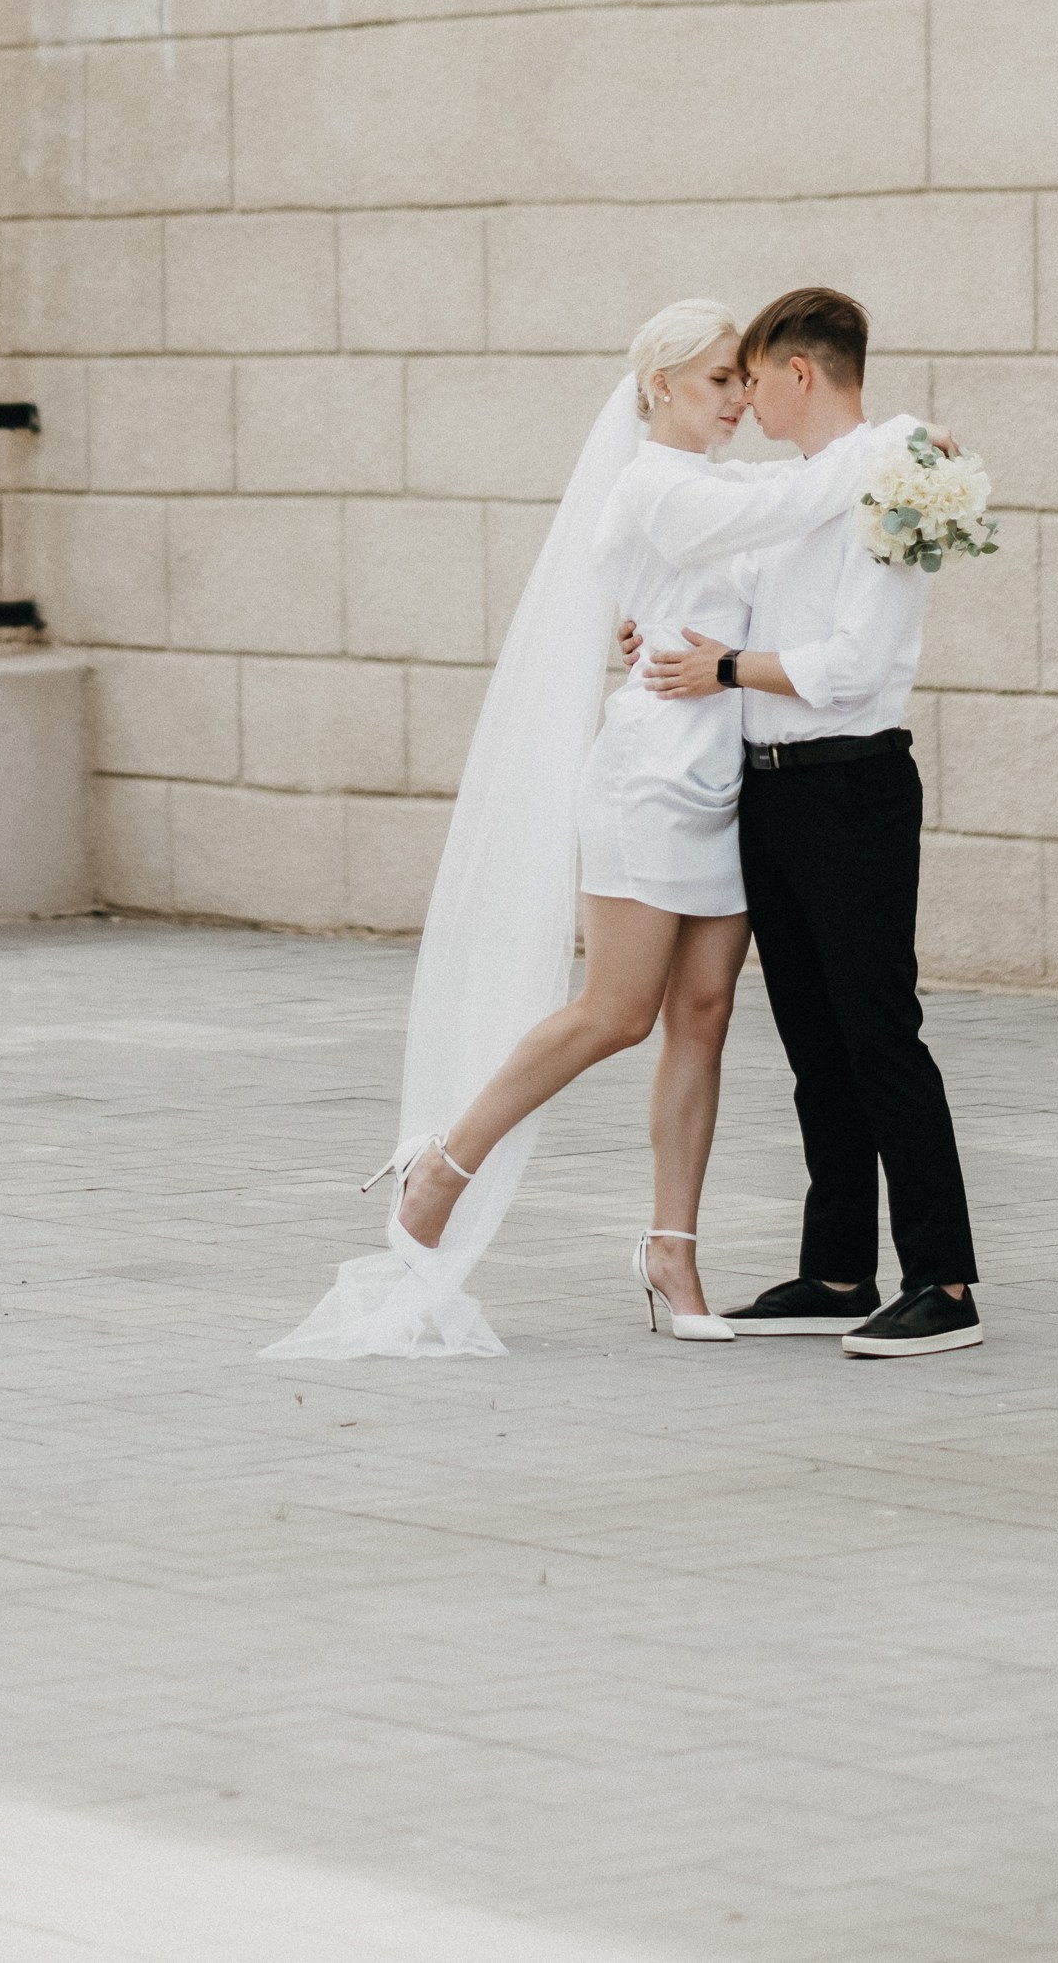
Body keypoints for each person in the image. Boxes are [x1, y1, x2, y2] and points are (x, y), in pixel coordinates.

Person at [265, 303, 873, 1362]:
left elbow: (779, 544)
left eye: (741, 379)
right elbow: (797, 498)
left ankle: (671, 1250)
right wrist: (898, 447)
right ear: (657, 390)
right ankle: (445, 1162)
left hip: (727, 772)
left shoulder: (726, 486)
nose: (736, 396)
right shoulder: (654, 484)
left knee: (703, 1011)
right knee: (615, 1010)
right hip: (647, 775)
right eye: (715, 380)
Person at [636, 286, 982, 1361]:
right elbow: (730, 595)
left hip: (850, 784)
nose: (742, 396)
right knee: (810, 1038)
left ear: (797, 372)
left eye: (750, 376)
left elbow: (853, 664)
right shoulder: (795, 492)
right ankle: (837, 1268)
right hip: (770, 783)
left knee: (878, 1031)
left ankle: (945, 1278)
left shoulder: (896, 473)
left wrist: (727, 667)